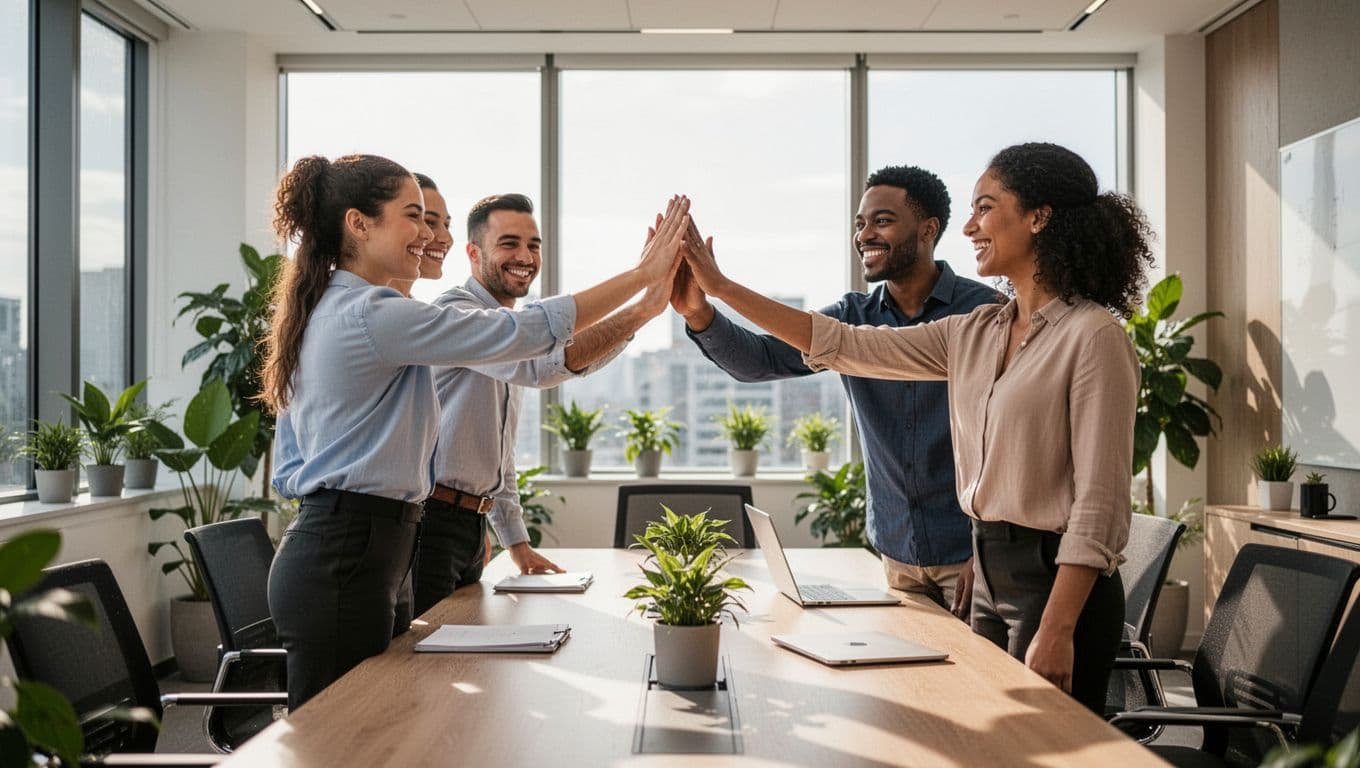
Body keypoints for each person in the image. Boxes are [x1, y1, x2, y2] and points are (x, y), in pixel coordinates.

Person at [677, 142, 1147, 714]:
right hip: (990, 577)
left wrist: (1057, 625)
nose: (969, 225)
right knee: (976, 736)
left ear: (1038, 217)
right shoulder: (976, 330)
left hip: (1054, 588)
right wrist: (719, 292)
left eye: (985, 207)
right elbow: (841, 344)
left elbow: (1100, 505)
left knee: (1042, 749)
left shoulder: (1093, 335)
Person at [262, 153, 689, 709]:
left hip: (368, 542)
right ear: (359, 223)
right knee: (345, 732)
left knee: (383, 720)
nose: (427, 233)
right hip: (349, 547)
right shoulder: (371, 314)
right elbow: (527, 335)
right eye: (413, 216)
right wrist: (641, 279)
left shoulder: (358, 309)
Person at [673, 166, 999, 616]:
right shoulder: (853, 315)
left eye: (881, 221)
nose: (865, 234)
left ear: (928, 230)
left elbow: (1013, 448)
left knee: (979, 684)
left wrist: (989, 550)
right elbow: (761, 360)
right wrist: (698, 313)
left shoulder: (985, 314)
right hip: (896, 555)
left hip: (970, 558)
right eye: (859, 224)